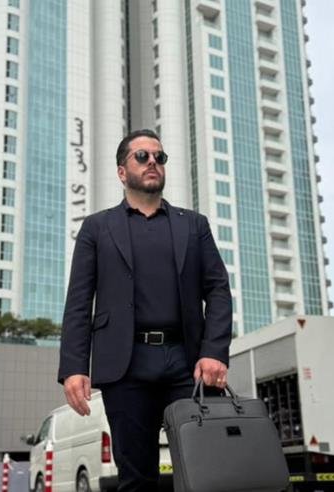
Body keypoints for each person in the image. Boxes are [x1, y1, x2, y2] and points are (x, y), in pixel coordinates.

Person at [58, 129, 233, 491]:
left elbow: (217, 290)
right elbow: (79, 301)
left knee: (205, 473)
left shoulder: (194, 225)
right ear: (122, 171)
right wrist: (74, 367)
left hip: (188, 364)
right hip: (126, 366)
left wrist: (215, 352)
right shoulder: (96, 228)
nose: (152, 161)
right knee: (136, 478)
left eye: (159, 157)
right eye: (142, 156)